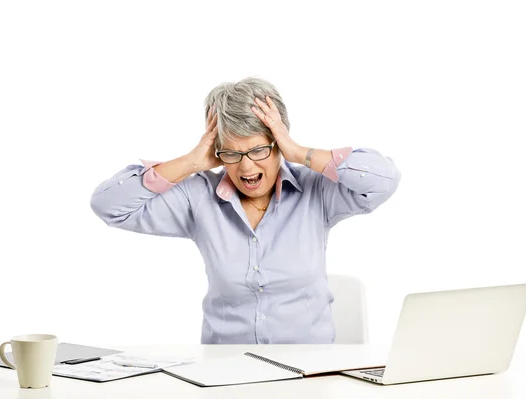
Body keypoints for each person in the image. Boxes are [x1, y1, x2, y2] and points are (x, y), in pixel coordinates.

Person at [90, 77, 401, 344]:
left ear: (278, 142)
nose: (246, 166)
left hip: (310, 372)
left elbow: (383, 179)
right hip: (226, 372)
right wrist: (191, 162)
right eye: (232, 153)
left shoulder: (316, 191)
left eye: (258, 150)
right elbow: (108, 205)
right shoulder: (199, 196)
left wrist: (300, 153)